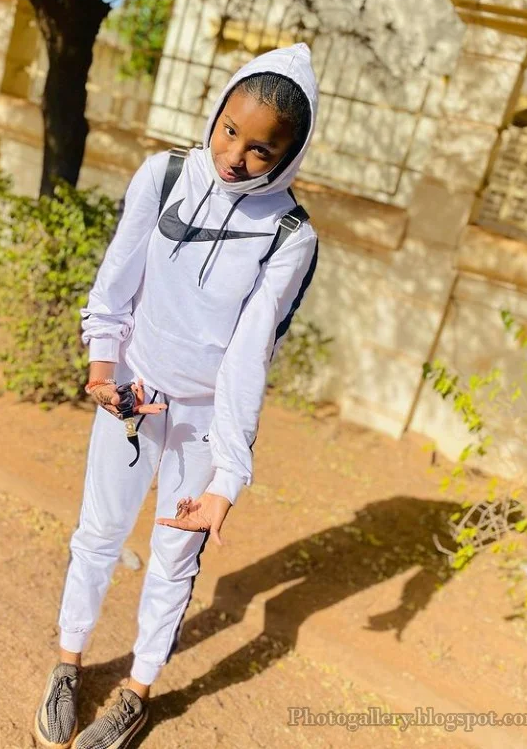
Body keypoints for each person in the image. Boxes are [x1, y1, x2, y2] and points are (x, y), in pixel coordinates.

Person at [34, 42, 320, 749]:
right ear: (216, 113)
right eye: (229, 131)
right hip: (133, 395)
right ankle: (68, 663)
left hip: (201, 422)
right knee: (99, 532)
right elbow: (116, 282)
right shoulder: (163, 176)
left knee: (173, 558)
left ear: (289, 154)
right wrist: (104, 373)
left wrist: (228, 477)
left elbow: (248, 357)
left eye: (261, 149)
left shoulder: (289, 234)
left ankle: (136, 691)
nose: (235, 157)